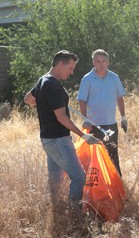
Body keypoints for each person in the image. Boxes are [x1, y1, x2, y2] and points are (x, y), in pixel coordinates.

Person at [23, 50, 100, 221]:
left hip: (48, 139)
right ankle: (75, 218)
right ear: (60, 64)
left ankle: (55, 214)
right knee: (79, 177)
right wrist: (83, 135)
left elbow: (28, 99)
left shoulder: (43, 81)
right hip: (58, 139)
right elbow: (61, 117)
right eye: (70, 68)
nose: (71, 72)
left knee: (55, 180)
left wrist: (43, 103)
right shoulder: (53, 85)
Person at [77, 49, 127, 177]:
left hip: (111, 125)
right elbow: (82, 100)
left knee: (112, 154)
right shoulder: (87, 79)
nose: (101, 64)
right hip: (93, 125)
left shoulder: (114, 78)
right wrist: (85, 119)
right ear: (93, 62)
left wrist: (123, 117)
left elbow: (120, 98)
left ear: (108, 62)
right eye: (98, 61)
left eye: (103, 61)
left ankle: (117, 183)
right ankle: (96, 187)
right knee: (94, 156)